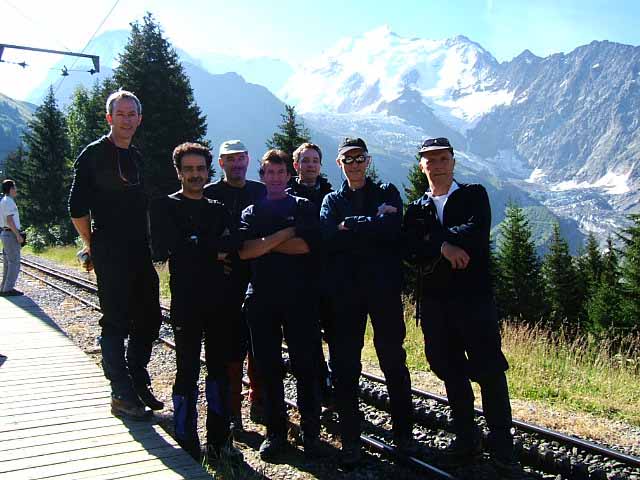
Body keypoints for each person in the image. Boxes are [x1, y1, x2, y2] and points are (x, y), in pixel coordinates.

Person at [403, 137, 520, 476]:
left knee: (489, 367)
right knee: (448, 366)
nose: (437, 165)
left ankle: (502, 442)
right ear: (422, 166)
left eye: (443, 158)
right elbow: (408, 248)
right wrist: (444, 247)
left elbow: (475, 232)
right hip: (435, 303)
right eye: (430, 160)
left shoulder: (473, 195)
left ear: (453, 162)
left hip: (474, 299)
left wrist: (432, 240)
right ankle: (466, 438)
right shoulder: (417, 208)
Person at [320, 137, 416, 467]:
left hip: (383, 291)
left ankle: (404, 434)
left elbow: (392, 229)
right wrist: (373, 224)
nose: (354, 164)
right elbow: (328, 235)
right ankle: (350, 439)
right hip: (345, 294)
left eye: (359, 158)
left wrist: (351, 225)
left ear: (368, 160)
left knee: (393, 361)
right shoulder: (332, 199)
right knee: (345, 365)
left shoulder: (387, 191)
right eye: (348, 159)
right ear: (339, 164)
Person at [68, 89, 163, 420]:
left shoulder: (136, 156)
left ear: (139, 118)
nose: (126, 120)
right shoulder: (93, 155)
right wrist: (91, 244)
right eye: (120, 114)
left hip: (139, 249)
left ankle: (136, 376)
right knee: (116, 320)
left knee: (150, 316)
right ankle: (121, 392)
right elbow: (76, 207)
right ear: (109, 118)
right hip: (109, 248)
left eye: (131, 114)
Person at [150, 142, 243, 462]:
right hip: (186, 303)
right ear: (178, 172)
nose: (195, 175)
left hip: (219, 303)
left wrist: (194, 244)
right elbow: (163, 248)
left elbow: (233, 242)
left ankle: (219, 440)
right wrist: (212, 249)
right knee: (186, 370)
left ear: (208, 171)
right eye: (188, 169)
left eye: (200, 169)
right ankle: (186, 440)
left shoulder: (217, 208)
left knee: (219, 371)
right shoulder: (165, 206)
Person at [239, 149, 325, 461]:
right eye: (269, 172)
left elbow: (305, 247)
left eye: (280, 172)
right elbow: (245, 251)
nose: (275, 178)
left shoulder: (304, 207)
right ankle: (275, 433)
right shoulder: (251, 211)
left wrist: (266, 243)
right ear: (262, 176)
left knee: (306, 367)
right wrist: (286, 233)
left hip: (300, 299)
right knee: (268, 368)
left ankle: (311, 432)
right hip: (261, 299)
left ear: (289, 175)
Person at [203, 140, 266, 432]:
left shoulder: (260, 191)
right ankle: (232, 411)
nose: (236, 164)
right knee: (231, 349)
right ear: (221, 163)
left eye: (240, 158)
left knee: (258, 344)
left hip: (259, 278)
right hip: (224, 282)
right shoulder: (209, 194)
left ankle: (257, 399)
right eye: (230, 159)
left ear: (248, 160)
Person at [286, 143, 335, 405]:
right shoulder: (287, 196)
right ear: (296, 165)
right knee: (307, 337)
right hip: (298, 277)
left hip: (329, 275)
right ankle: (316, 388)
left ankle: (334, 385)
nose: (311, 165)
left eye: (315, 160)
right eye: (305, 160)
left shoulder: (332, 194)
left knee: (335, 333)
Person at [0, 179, 24, 296]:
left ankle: (4, 287)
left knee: (8, 262)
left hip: (6, 233)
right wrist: (18, 235)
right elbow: (10, 220)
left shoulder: (4, 201)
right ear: (10, 189)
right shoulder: (8, 201)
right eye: (15, 187)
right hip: (10, 234)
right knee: (14, 262)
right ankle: (8, 289)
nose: (16, 190)